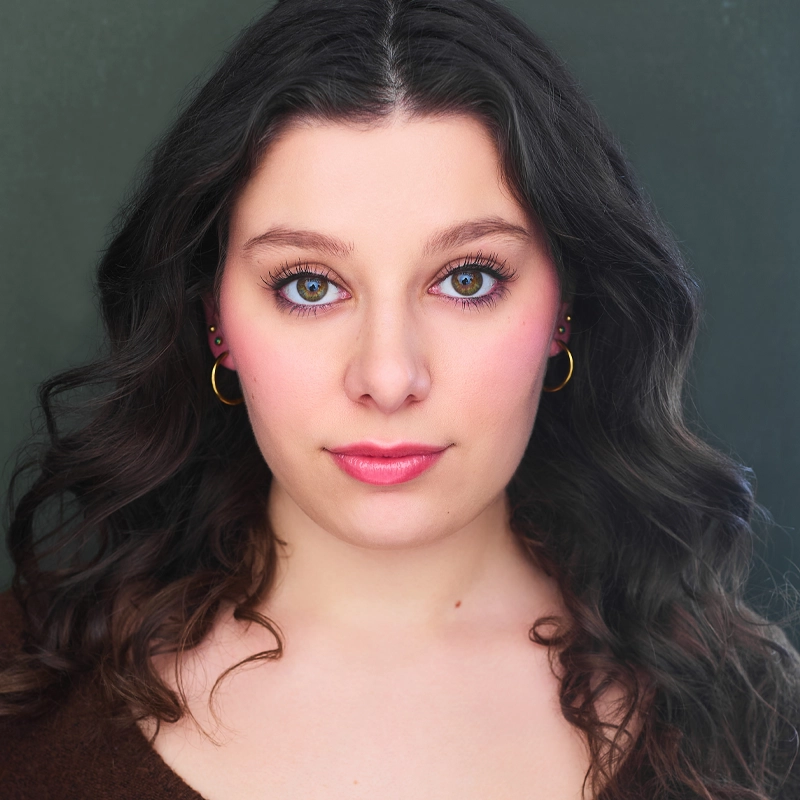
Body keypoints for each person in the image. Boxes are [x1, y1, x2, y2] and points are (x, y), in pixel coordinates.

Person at [1, 0, 798, 797]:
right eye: (310, 286)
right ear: (215, 320)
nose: (387, 378)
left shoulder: (755, 725)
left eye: (468, 279)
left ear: (564, 312)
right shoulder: (20, 696)